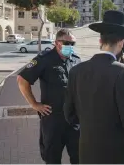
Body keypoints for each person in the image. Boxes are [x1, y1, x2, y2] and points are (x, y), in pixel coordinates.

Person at [64, 10, 124, 164]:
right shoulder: (122, 72)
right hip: (115, 155)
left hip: (86, 152)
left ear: (100, 41)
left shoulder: (76, 70)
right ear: (122, 42)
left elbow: (69, 115)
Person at [17, 28, 81, 164]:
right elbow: (22, 80)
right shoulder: (44, 59)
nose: (71, 47)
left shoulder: (76, 60)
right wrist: (34, 104)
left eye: (73, 44)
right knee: (52, 158)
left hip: (74, 120)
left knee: (79, 157)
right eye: (68, 44)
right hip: (53, 120)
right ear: (57, 43)